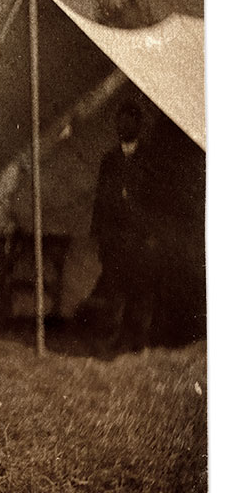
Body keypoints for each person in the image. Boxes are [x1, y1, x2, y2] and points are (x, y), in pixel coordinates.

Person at [86, 99, 157, 352]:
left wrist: (151, 235)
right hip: (114, 237)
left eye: (130, 121)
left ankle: (137, 340)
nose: (124, 126)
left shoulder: (149, 160)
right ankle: (114, 338)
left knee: (139, 289)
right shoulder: (109, 160)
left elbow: (155, 201)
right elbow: (100, 199)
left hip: (139, 237)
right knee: (115, 288)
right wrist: (99, 235)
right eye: (121, 121)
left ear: (138, 125)